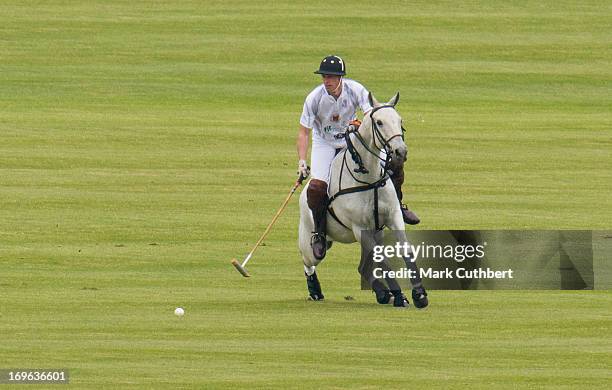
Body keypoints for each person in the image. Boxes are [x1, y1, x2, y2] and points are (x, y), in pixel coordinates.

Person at [297, 55, 420, 261]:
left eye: (332, 77)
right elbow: (303, 132)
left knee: (394, 166)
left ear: (340, 78)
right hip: (325, 144)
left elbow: (373, 116)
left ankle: (399, 204)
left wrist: (359, 123)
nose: (327, 80)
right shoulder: (314, 98)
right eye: (325, 76)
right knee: (317, 188)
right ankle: (319, 233)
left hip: (352, 140)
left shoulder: (355, 90)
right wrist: (302, 161)